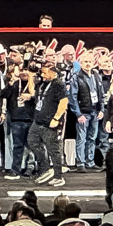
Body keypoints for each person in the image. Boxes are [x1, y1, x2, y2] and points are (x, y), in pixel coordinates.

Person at [32, 60, 69, 188]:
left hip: (50, 122)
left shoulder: (58, 84)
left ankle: (58, 176)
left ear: (53, 73)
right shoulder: (43, 83)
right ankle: (47, 168)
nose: (42, 75)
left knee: (53, 149)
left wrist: (57, 118)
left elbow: (64, 102)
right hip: (38, 120)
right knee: (32, 142)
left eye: (45, 73)